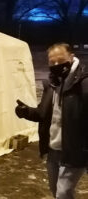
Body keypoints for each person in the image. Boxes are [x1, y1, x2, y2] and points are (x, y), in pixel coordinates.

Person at [15, 43, 88, 199]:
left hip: (74, 151)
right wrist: (25, 111)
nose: (56, 65)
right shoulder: (52, 86)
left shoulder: (84, 85)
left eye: (60, 60)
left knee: (63, 193)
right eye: (52, 62)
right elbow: (43, 114)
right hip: (53, 149)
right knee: (55, 191)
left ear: (71, 57)